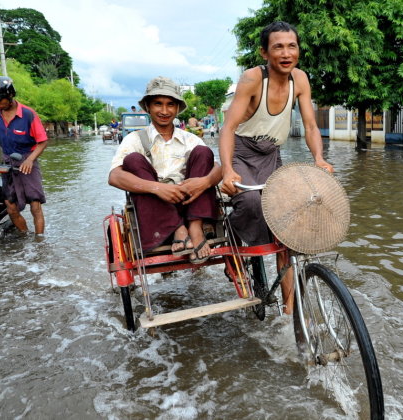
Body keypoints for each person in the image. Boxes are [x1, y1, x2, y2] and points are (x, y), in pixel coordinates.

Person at [219, 21, 333, 314]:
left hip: (271, 154)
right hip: (243, 152)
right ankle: (231, 236)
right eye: (278, 47)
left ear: (298, 50)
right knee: (251, 202)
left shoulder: (301, 80)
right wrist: (228, 170)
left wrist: (319, 158)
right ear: (264, 53)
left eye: (291, 46)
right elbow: (228, 127)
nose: (286, 53)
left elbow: (310, 125)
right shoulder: (252, 78)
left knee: (287, 222)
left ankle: (289, 310)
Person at [109, 76, 222, 262]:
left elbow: (217, 168)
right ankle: (178, 228)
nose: (164, 110)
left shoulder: (189, 139)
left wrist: (205, 181)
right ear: (148, 107)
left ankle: (195, 228)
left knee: (204, 152)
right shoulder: (134, 139)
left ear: (177, 108)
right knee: (133, 160)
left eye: (170, 104)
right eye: (157, 104)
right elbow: (114, 176)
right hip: (155, 205)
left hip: (189, 202)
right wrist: (158, 188)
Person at [0, 76, 48, 236]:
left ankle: (40, 242)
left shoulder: (28, 114)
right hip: (7, 161)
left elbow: (43, 142)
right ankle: (25, 236)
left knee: (35, 205)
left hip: (27, 159)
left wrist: (30, 160)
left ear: (10, 95)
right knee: (10, 206)